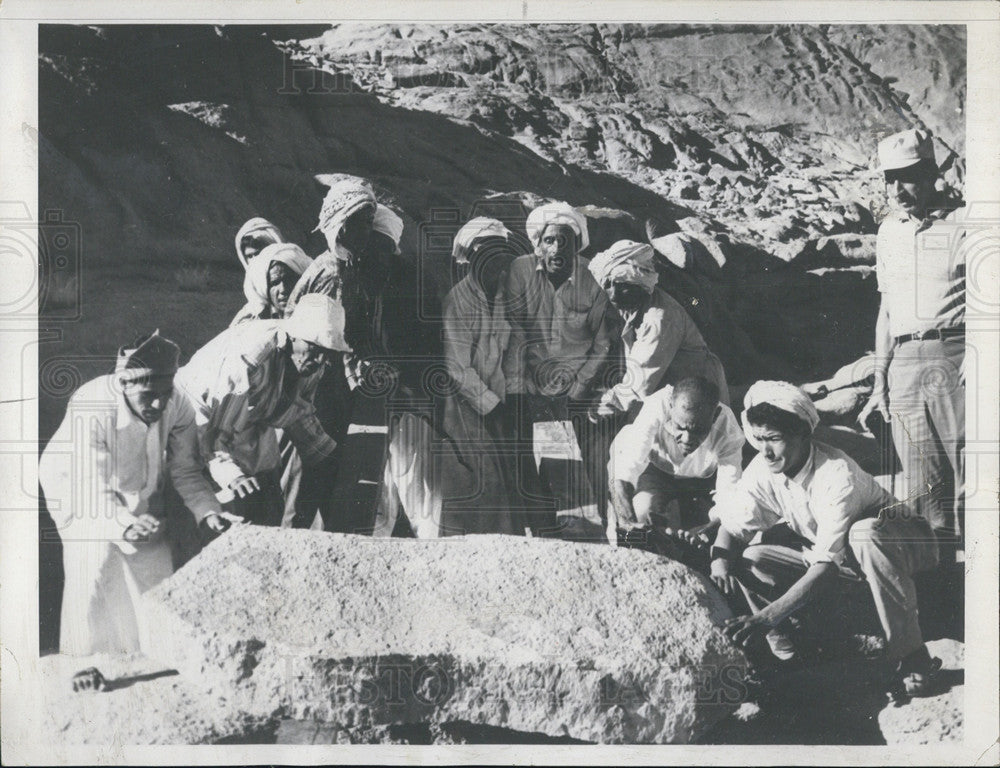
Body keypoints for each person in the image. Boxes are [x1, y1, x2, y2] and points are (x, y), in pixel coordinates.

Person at [710, 381, 941, 698]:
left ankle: (912, 655)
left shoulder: (836, 473)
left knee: (863, 534)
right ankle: (791, 654)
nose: (765, 450)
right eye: (759, 439)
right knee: (754, 559)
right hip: (845, 563)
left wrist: (765, 617)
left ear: (802, 435)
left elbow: (825, 568)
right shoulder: (762, 470)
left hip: (905, 548)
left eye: (774, 439)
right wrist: (720, 562)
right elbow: (734, 526)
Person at [38, 331, 236, 667]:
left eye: (165, 393)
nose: (159, 404)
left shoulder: (176, 402)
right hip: (75, 489)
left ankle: (149, 660)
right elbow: (89, 482)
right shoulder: (93, 405)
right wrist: (123, 523)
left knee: (155, 566)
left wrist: (208, 511)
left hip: (136, 490)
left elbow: (186, 470)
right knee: (95, 566)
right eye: (148, 395)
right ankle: (86, 665)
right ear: (124, 385)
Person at [286, 177, 444, 538]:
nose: (375, 254)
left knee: (404, 489)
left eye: (382, 246)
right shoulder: (332, 272)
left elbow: (427, 349)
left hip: (397, 403)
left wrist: (400, 380)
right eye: (358, 229)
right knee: (327, 484)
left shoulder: (408, 283)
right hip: (320, 396)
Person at [857, 128, 966, 562]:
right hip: (901, 363)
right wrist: (880, 378)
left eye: (907, 178)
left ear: (931, 174)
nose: (897, 190)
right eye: (889, 179)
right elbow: (887, 309)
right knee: (922, 480)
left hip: (954, 356)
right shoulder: (889, 232)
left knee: (967, 467)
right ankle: (943, 580)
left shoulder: (964, 223)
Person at [175, 295, 351, 528]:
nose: (320, 360)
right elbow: (216, 434)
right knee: (226, 506)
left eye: (327, 352)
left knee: (269, 502)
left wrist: (329, 456)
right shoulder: (251, 359)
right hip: (197, 415)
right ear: (293, 336)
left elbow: (299, 414)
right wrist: (233, 476)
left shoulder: (310, 363)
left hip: (248, 418)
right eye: (315, 348)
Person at [502, 201, 617, 535]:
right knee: (529, 462)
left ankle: (582, 531)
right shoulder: (520, 271)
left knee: (573, 469)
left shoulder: (592, 279)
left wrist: (576, 387)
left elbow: (601, 342)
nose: (557, 248)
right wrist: (522, 387)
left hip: (575, 386)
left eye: (565, 240)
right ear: (538, 244)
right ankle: (542, 528)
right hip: (528, 380)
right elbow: (515, 329)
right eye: (549, 240)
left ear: (576, 244)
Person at [440, 217, 522, 535]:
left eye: (499, 252)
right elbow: (457, 367)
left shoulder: (505, 299)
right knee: (479, 481)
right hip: (462, 409)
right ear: (471, 256)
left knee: (507, 481)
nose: (494, 260)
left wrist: (508, 399)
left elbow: (511, 353)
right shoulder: (458, 302)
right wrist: (493, 407)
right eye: (485, 252)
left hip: (496, 404)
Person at [588, 239, 729, 417]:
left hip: (697, 391)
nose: (614, 294)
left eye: (624, 287)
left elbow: (640, 380)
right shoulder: (628, 306)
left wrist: (606, 403)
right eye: (609, 285)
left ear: (642, 286)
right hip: (667, 387)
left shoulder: (659, 318)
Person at [607, 377, 744, 539]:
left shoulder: (729, 432)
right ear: (671, 407)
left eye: (698, 430)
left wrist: (710, 527)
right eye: (679, 427)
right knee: (641, 512)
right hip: (654, 471)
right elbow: (624, 469)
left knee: (714, 534)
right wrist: (627, 521)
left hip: (700, 484)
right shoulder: (656, 406)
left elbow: (729, 492)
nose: (686, 439)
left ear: (715, 417)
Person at [231, 242, 313, 325]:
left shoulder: (318, 314)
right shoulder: (250, 322)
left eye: (289, 280)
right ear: (264, 289)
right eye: (275, 283)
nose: (283, 290)